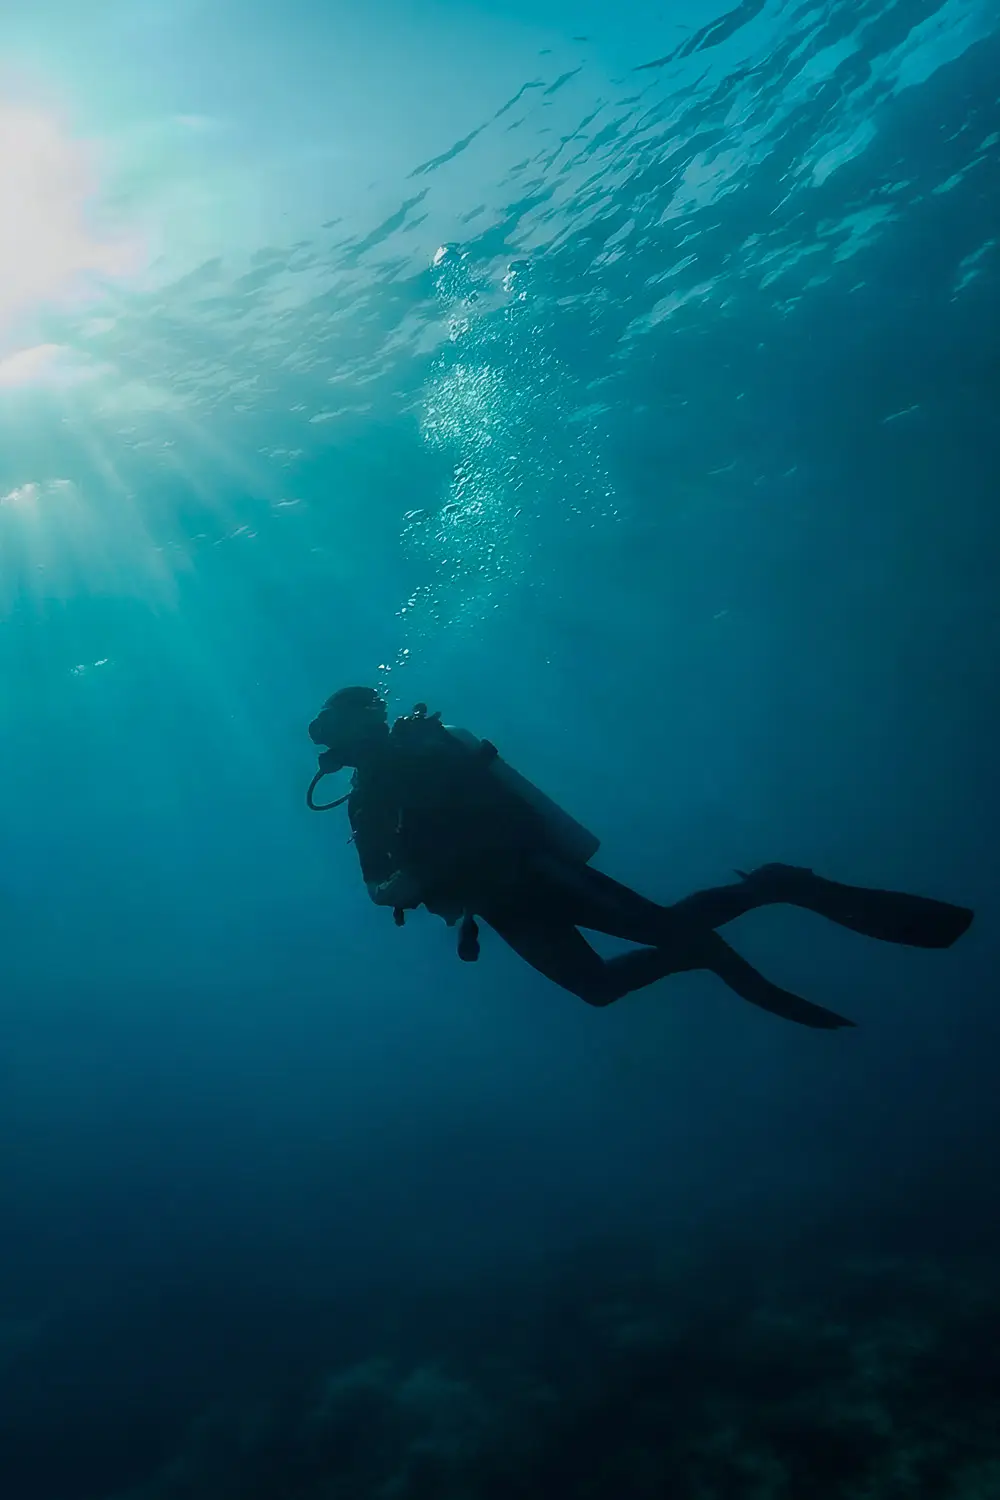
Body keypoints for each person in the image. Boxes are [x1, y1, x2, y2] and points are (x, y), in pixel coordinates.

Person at [306, 687, 974, 1030]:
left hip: (538, 873)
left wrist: (760, 992)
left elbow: (488, 805)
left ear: (368, 720)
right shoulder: (365, 802)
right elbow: (377, 885)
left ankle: (772, 889)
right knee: (599, 990)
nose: (335, 743)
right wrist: (408, 882)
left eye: (341, 726)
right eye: (329, 734)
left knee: (668, 933)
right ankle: (729, 922)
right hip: (499, 906)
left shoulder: (427, 751)